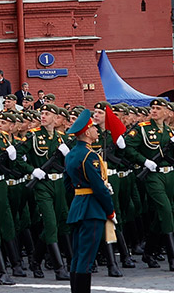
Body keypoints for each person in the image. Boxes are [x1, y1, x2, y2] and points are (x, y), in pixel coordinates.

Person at [65, 108, 115, 293]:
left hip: (78, 206)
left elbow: (67, 185)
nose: (96, 130)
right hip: (92, 209)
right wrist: (110, 210)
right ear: (87, 132)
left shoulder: (71, 154)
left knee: (78, 256)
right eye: (93, 127)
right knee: (86, 258)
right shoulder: (90, 155)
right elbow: (99, 188)